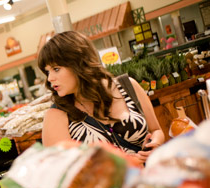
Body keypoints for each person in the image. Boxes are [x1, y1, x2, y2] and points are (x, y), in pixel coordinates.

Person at [38, 31, 164, 164]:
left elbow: (156, 130)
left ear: (79, 63)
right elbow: (61, 171)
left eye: (56, 69)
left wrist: (155, 145)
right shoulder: (57, 115)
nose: (50, 78)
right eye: (47, 72)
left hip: (152, 180)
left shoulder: (128, 86)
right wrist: (120, 164)